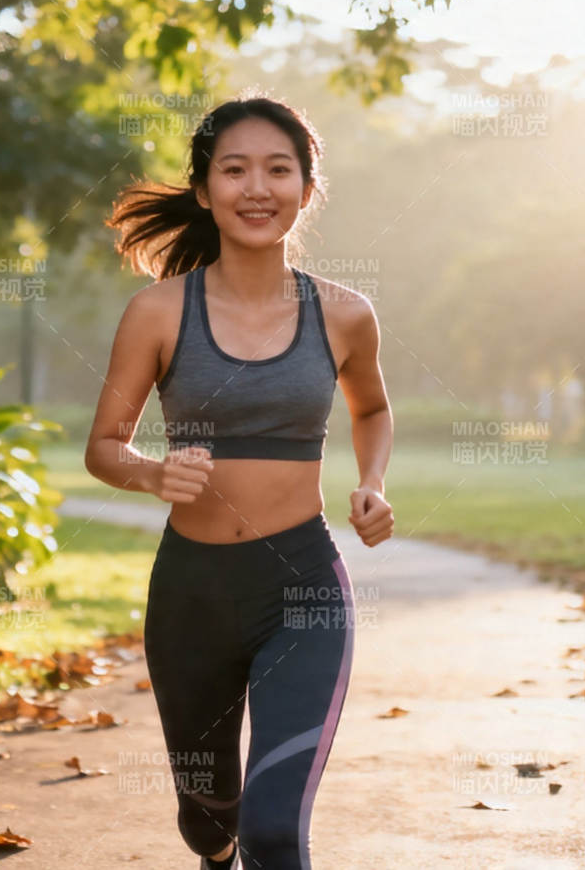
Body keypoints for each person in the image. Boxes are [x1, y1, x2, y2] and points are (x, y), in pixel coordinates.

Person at [85, 92, 394, 869]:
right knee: (211, 820)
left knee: (274, 827)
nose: (257, 188)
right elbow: (103, 447)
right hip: (191, 594)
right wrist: (154, 473)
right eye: (235, 170)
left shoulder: (345, 314)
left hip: (303, 589)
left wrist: (374, 482)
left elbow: (374, 409)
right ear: (203, 189)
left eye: (278, 170)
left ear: (306, 189)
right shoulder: (156, 313)